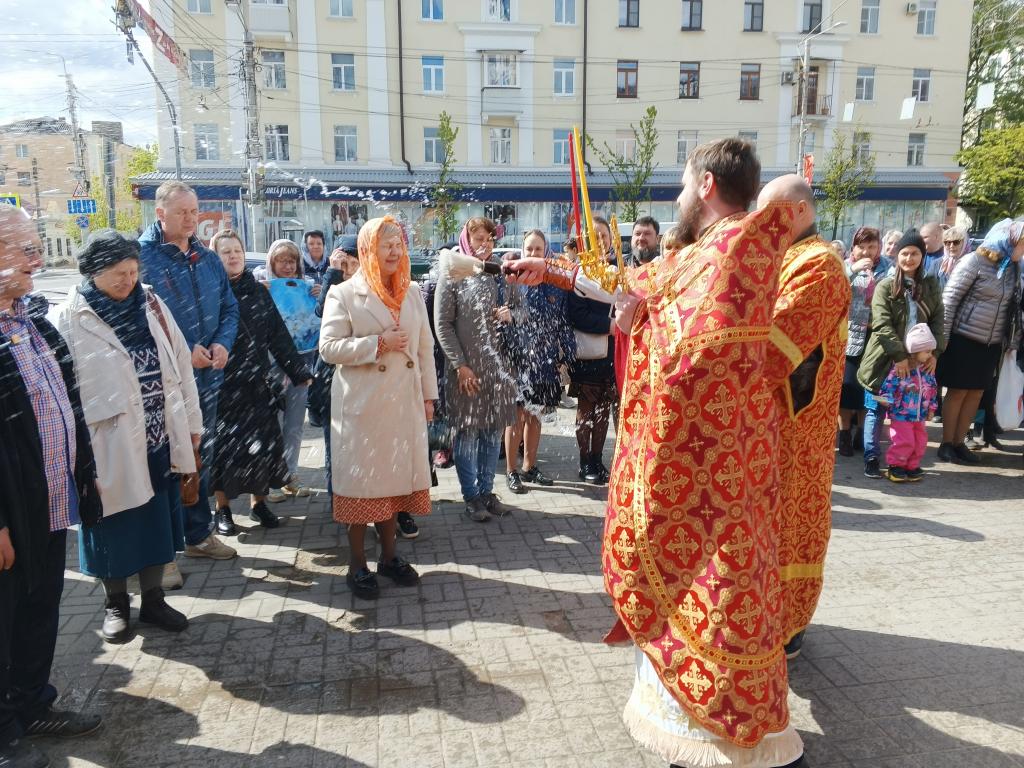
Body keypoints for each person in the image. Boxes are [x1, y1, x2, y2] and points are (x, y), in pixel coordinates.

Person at [506, 138, 807, 767]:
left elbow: (785, 200)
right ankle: (694, 728)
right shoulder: (700, 256)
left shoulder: (742, 245)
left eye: (681, 183)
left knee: (723, 595)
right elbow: (630, 283)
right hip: (707, 474)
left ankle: (724, 743)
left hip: (716, 477)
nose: (674, 197)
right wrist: (553, 271)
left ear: (705, 185)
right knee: (703, 591)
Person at [57, 230, 200, 643]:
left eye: (133, 271)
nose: (128, 280)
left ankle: (153, 599)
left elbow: (181, 367)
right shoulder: (70, 316)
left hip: (158, 434)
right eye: (118, 272)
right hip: (107, 443)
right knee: (111, 524)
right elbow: (63, 390)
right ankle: (115, 604)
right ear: (94, 272)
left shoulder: (152, 303)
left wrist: (192, 428)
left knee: (157, 520)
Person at [0, 205, 103, 768]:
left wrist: (83, 475)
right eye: (23, 250)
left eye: (36, 247)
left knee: (40, 608)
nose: (36, 260)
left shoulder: (32, 324)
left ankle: (30, 703)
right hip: (9, 511)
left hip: (50, 500)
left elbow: (69, 406)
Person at [757, 175, 852, 660]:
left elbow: (774, 349)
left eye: (767, 213)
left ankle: (789, 625)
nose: (759, 223)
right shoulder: (785, 257)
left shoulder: (819, 268)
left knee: (793, 527)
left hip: (798, 432)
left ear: (795, 211)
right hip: (770, 428)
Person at [319, 216, 438, 599]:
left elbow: (424, 349)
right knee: (361, 487)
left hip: (402, 403)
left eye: (398, 243)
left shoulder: (412, 291)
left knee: (391, 483)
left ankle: (389, 557)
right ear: (368, 249)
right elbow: (328, 349)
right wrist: (377, 344)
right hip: (363, 407)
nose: (393, 250)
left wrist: (429, 396)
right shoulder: (344, 293)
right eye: (385, 243)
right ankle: (357, 565)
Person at [139, 181, 239, 568]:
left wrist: (223, 344)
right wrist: (183, 354)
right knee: (163, 461)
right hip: (161, 382)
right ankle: (161, 552)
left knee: (201, 455)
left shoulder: (207, 257)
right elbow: (138, 321)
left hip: (209, 377)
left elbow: (229, 308)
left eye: (195, 211)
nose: (191, 219)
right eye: (183, 212)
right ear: (160, 214)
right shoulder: (142, 257)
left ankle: (198, 534)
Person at [208, 230, 312, 533]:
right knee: (225, 450)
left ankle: (258, 504)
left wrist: (298, 371)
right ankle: (223, 509)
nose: (233, 256)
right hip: (223, 384)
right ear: (215, 257)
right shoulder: (212, 293)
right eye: (225, 252)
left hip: (257, 382)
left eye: (237, 250)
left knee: (262, 446)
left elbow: (277, 335)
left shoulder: (259, 291)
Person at [434, 217, 518, 522]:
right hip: (466, 371)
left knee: (493, 433)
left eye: (490, 239)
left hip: (499, 370)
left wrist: (511, 314)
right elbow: (442, 324)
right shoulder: (453, 271)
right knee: (468, 434)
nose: (485, 245)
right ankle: (470, 496)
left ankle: (486, 492)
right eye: (479, 238)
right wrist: (460, 365)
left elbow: (521, 311)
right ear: (467, 240)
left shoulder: (499, 272)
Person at [857, 229, 945, 477]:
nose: (909, 259)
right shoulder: (885, 285)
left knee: (910, 416)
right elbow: (882, 325)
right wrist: (899, 357)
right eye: (904, 253)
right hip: (885, 360)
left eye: (914, 253)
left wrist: (935, 352)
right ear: (897, 256)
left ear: (922, 255)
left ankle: (906, 461)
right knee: (877, 410)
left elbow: (939, 321)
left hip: (919, 362)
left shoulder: (930, 285)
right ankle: (872, 456)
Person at [937, 219, 1024, 463]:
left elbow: (1013, 308)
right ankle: (946, 443)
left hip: (992, 343)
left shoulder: (1012, 267)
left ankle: (959, 442)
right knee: (957, 391)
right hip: (964, 337)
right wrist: (943, 340)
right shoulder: (974, 261)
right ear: (1011, 240)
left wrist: (1012, 342)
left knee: (975, 393)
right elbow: (950, 300)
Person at [502, 230, 571, 494]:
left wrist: (564, 355)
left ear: (546, 253)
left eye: (538, 250)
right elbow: (502, 316)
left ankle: (530, 467)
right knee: (516, 416)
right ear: (522, 250)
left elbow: (562, 321)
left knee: (536, 415)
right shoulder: (510, 281)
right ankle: (511, 471)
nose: (533, 254)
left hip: (546, 361)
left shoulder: (554, 282)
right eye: (529, 249)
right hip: (518, 360)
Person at [254, 239, 318, 502]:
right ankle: (272, 480)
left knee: (294, 423)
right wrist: (258, 292)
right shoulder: (260, 283)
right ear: (271, 263)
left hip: (302, 360)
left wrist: (320, 295)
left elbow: (321, 317)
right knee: (275, 422)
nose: (288, 266)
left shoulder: (308, 286)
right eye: (282, 261)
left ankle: (290, 475)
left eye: (292, 261)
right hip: (274, 362)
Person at [568, 215, 617, 485]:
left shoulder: (615, 271)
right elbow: (577, 314)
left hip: (610, 354)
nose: (599, 241)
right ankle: (585, 460)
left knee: (603, 410)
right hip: (587, 353)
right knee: (586, 410)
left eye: (604, 236)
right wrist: (609, 325)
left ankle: (598, 460)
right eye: (593, 237)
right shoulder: (579, 274)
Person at [838, 227, 888, 461]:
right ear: (854, 247)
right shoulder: (844, 266)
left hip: (876, 336)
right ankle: (844, 433)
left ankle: (861, 432)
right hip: (849, 335)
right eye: (862, 246)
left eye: (872, 246)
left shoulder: (888, 268)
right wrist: (850, 271)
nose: (866, 251)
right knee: (847, 387)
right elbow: (832, 289)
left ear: (879, 247)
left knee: (867, 388)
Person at [877, 324, 940, 482]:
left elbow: (932, 389)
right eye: (927, 352)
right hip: (902, 414)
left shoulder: (927, 370)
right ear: (915, 351)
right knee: (904, 441)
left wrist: (932, 408)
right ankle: (896, 465)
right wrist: (886, 398)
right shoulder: (901, 369)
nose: (930, 355)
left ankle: (911, 465)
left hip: (919, 416)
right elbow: (889, 385)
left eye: (931, 352)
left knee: (920, 441)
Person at [932, 224, 969, 289]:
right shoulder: (937, 264)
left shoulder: (972, 265)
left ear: (964, 244)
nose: (951, 246)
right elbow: (928, 288)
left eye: (956, 242)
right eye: (947, 242)